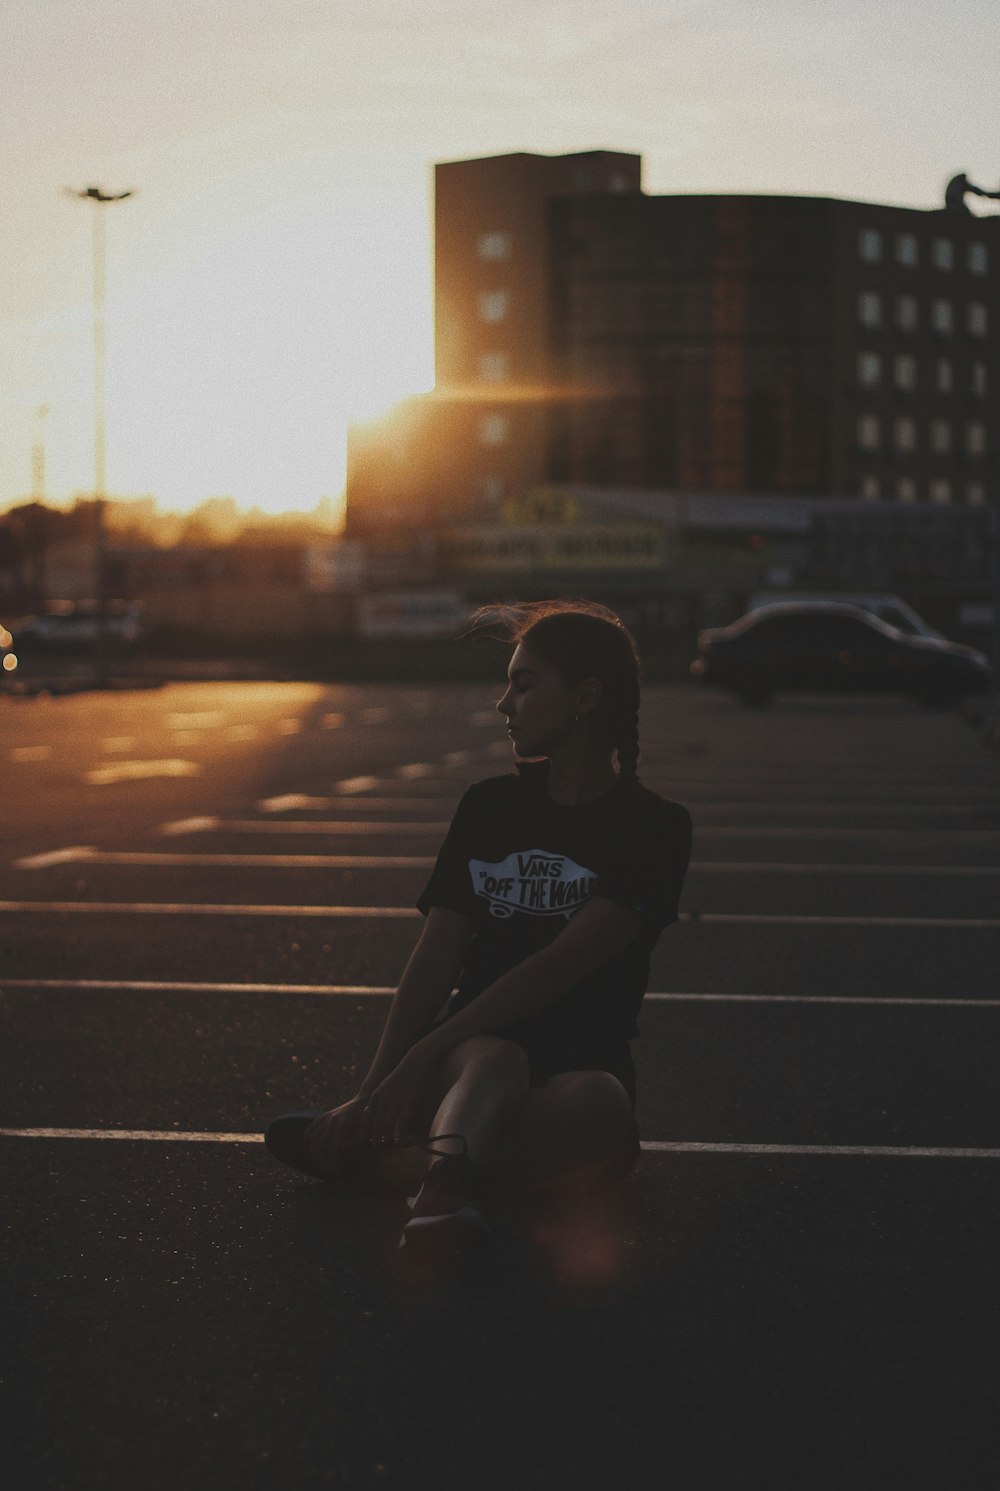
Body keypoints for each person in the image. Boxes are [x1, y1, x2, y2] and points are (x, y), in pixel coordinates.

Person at [265, 601, 692, 1262]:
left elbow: (557, 966)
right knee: (498, 1060)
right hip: (472, 1055)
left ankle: (390, 1164)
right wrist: (374, 1089)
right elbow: (435, 958)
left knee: (602, 1103)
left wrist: (419, 1059)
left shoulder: (656, 828)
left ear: (585, 696)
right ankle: (440, 1198)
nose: (504, 703)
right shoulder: (489, 807)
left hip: (577, 1059)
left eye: (525, 684)